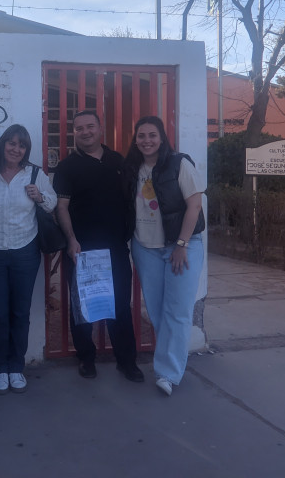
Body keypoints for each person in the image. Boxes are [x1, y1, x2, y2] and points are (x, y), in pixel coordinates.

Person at [53, 110, 142, 382]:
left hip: (115, 248)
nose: (85, 132)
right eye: (79, 128)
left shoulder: (118, 161)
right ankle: (86, 358)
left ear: (100, 128)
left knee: (120, 306)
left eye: (90, 126)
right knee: (83, 309)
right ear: (74, 133)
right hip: (81, 250)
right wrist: (71, 241)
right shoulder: (67, 167)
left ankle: (127, 361)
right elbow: (62, 207)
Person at [123, 115, 206, 397]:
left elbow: (194, 206)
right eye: (141, 135)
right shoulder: (132, 167)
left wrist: (181, 244)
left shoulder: (178, 163)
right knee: (158, 311)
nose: (146, 140)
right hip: (145, 247)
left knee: (179, 311)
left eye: (152, 135)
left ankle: (168, 373)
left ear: (162, 137)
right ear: (135, 139)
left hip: (180, 246)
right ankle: (167, 364)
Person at [0, 124, 57, 395]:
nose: (15, 149)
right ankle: (0, 367)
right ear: (2, 145)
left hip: (25, 252)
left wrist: (39, 195)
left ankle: (15, 367)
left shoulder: (35, 174)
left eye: (21, 145)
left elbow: (52, 203)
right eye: (11, 143)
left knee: (20, 312)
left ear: (26, 150)